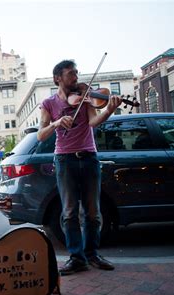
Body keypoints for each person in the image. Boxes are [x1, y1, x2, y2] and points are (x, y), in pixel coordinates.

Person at [37, 60, 120, 276]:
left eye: (76, 72)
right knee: (69, 212)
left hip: (89, 157)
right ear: (58, 78)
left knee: (93, 212)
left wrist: (109, 109)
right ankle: (76, 258)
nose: (76, 77)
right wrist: (56, 123)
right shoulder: (48, 104)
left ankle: (92, 254)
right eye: (71, 73)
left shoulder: (86, 98)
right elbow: (40, 134)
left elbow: (94, 122)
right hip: (64, 160)